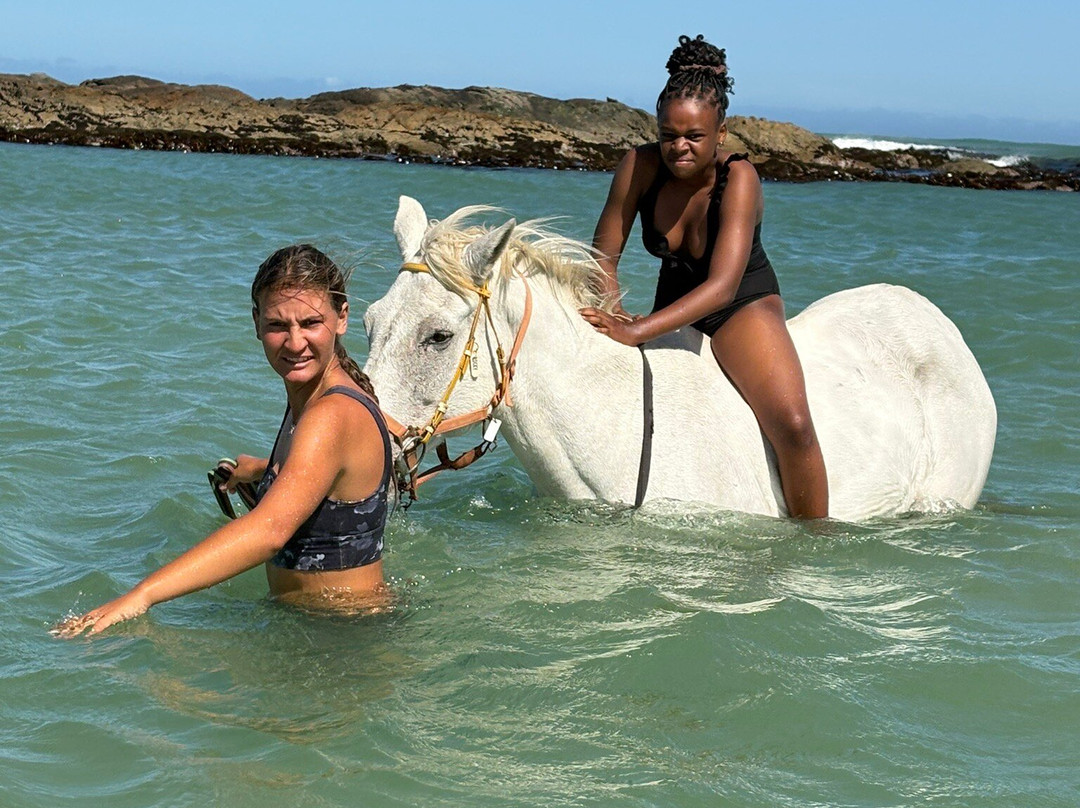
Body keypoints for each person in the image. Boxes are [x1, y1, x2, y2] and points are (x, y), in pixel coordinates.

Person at [57, 245, 392, 637]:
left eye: (310, 323)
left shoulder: (330, 414)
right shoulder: (317, 396)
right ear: (256, 323)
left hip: (341, 636)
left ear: (342, 318)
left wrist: (141, 595)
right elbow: (329, 475)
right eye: (277, 325)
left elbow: (269, 532)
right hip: (318, 626)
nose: (294, 342)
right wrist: (265, 471)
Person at [580, 34, 828, 518]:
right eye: (668, 135)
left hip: (739, 305)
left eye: (694, 136)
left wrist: (638, 330)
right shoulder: (639, 166)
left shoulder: (740, 178)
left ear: (721, 133)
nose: (679, 147)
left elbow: (722, 287)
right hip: (674, 299)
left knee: (794, 426)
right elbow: (602, 257)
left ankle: (815, 539)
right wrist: (613, 312)